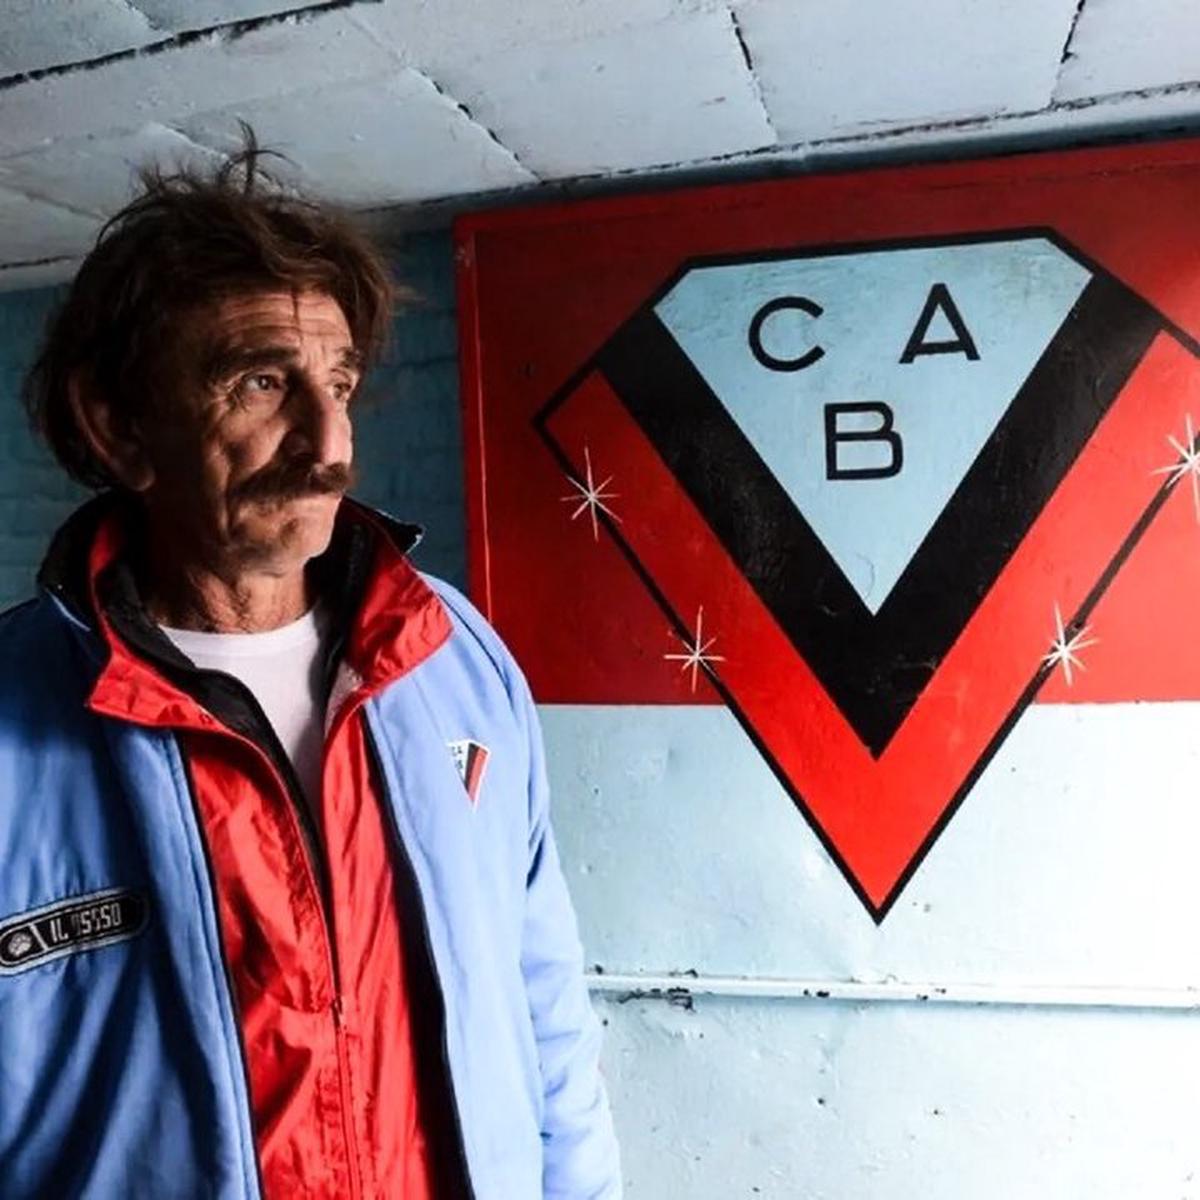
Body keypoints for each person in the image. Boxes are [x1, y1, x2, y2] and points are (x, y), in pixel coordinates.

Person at [0, 139, 621, 1199]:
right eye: (260, 383)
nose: (329, 443)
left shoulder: (453, 659)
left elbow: (545, 1003)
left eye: (339, 384)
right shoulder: (18, 719)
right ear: (118, 426)